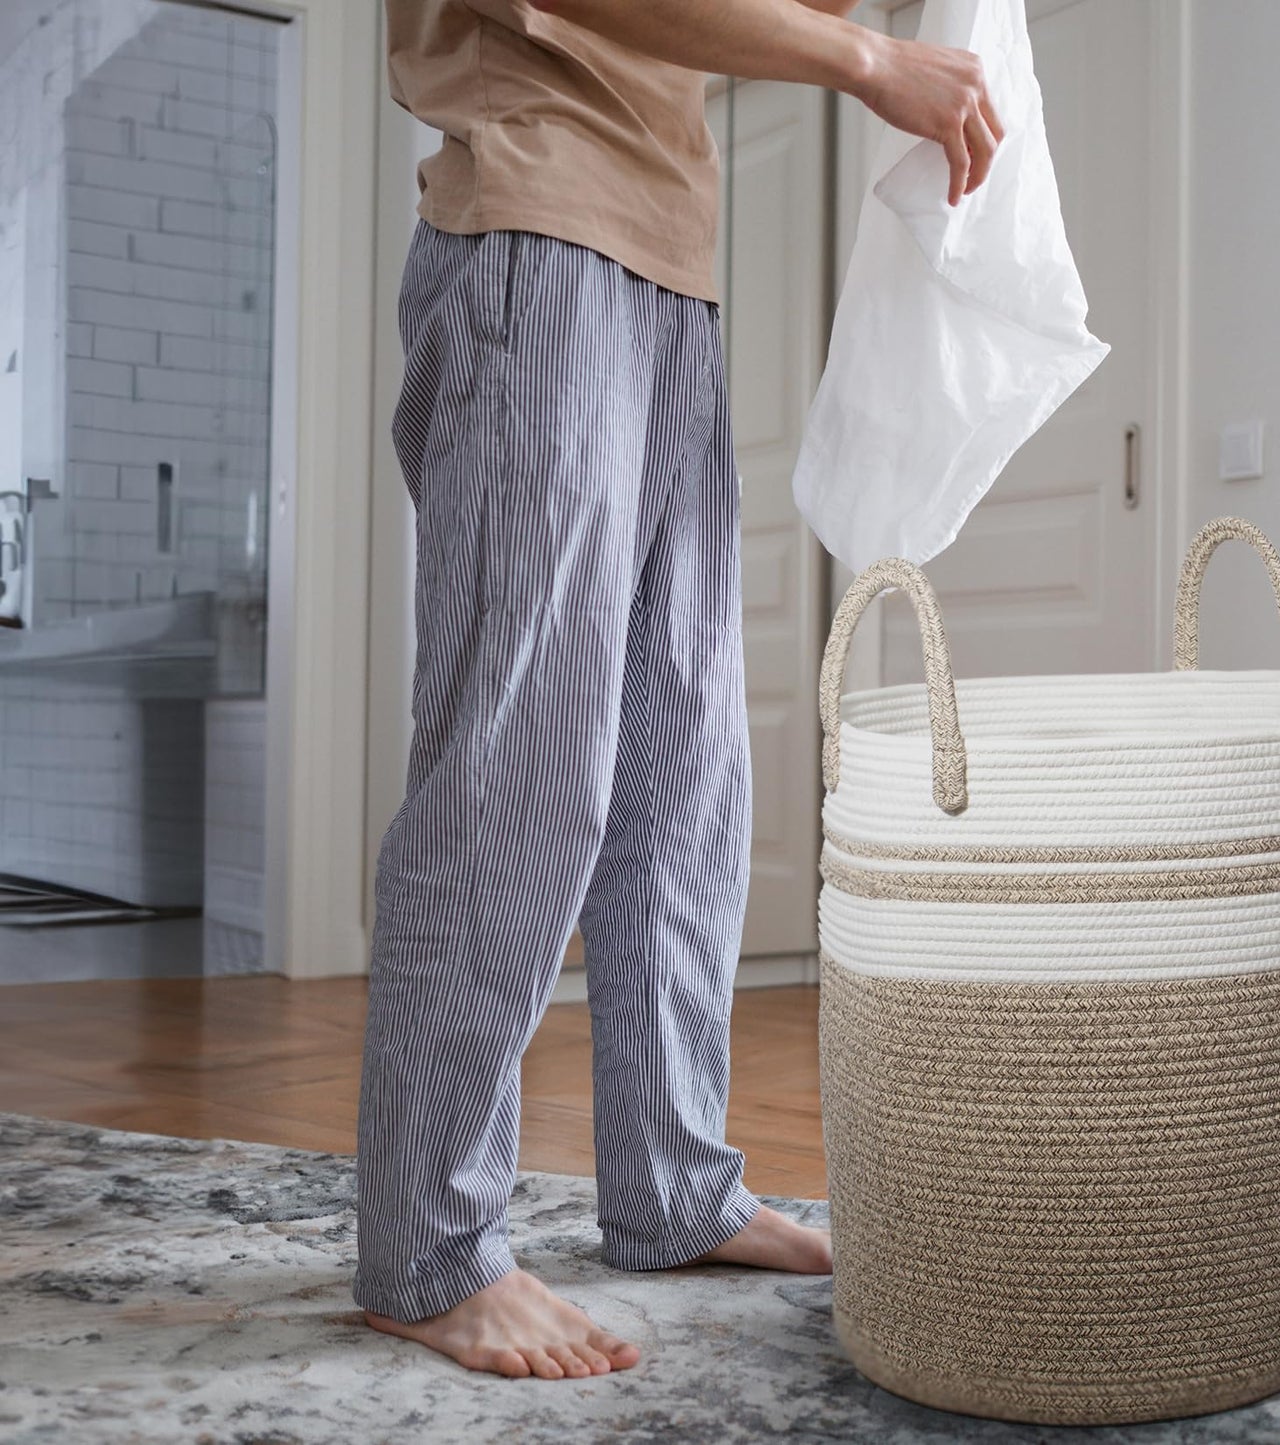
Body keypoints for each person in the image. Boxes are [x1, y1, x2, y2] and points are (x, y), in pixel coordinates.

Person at [355, 0, 1003, 1382]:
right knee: (518, 769)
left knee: (683, 771)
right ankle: (428, 1246)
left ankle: (672, 1184)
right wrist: (866, 61)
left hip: (667, 271)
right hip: (535, 232)